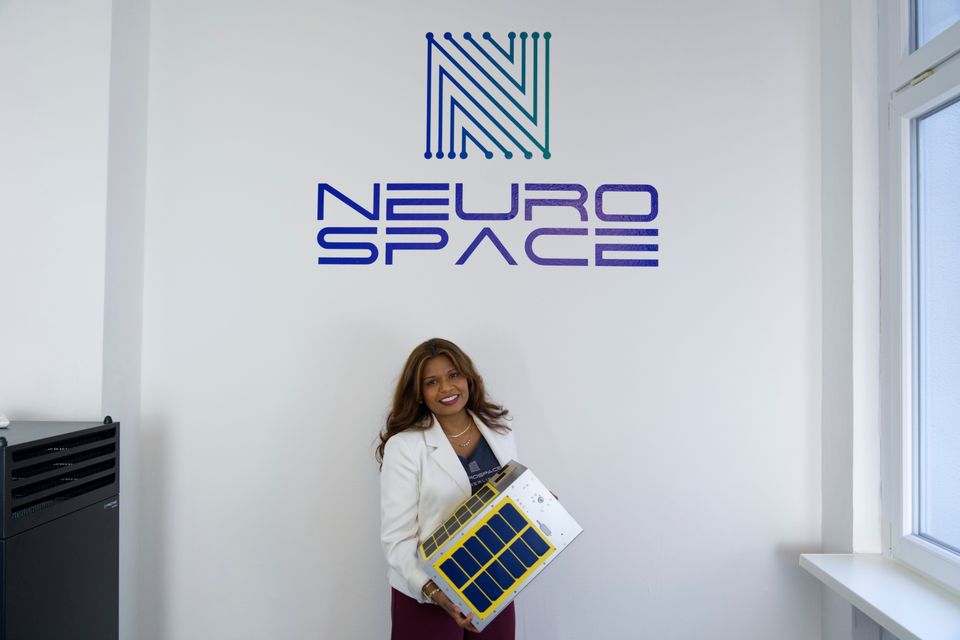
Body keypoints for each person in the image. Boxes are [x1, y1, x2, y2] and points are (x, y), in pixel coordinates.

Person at [377, 338, 517, 640]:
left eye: (453, 375)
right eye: (432, 382)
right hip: (426, 593)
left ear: (468, 377)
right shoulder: (405, 447)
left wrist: (534, 505)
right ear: (419, 393)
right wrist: (434, 591)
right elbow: (396, 539)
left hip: (494, 582)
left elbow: (507, 503)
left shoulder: (499, 429)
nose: (446, 388)